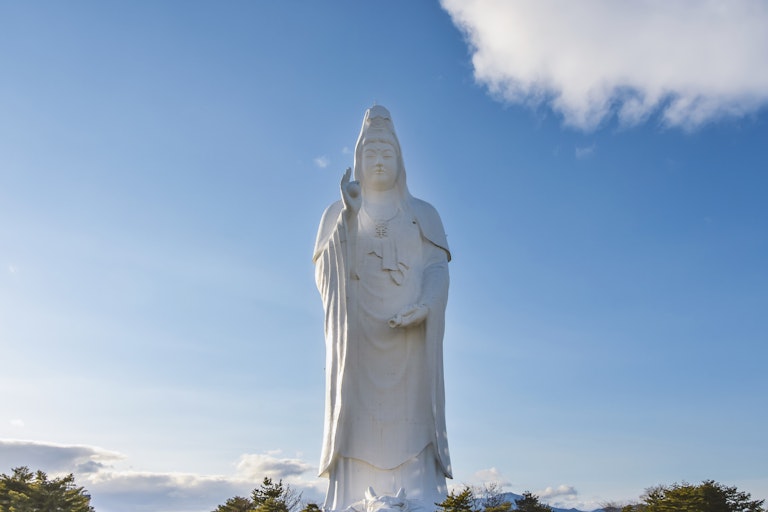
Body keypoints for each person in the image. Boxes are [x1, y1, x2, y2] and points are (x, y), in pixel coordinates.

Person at [313, 106, 452, 511]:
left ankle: (420, 495)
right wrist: (350, 215)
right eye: (370, 151)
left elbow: (436, 268)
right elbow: (326, 273)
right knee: (354, 415)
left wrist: (425, 306)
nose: (378, 160)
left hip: (410, 340)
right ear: (358, 158)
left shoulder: (423, 214)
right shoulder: (337, 214)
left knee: (413, 415)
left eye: (386, 152)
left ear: (400, 160)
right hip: (357, 344)